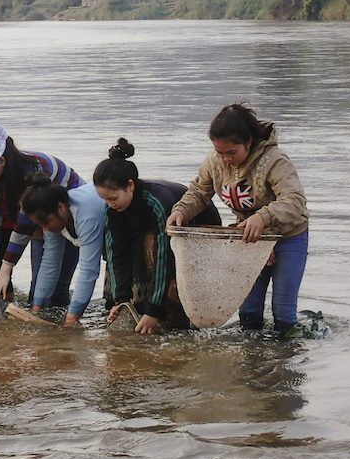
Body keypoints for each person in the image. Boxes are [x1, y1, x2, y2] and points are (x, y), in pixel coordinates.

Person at [166, 103, 309, 337]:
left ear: (248, 143)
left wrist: (263, 217)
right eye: (220, 152)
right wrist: (181, 210)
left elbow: (295, 200)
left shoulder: (275, 161)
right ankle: (251, 364)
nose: (225, 159)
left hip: (287, 237)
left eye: (231, 153)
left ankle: (284, 366)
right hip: (248, 240)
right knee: (249, 312)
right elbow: (199, 192)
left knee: (283, 314)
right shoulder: (214, 161)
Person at [94, 139, 221, 334]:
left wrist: (153, 311)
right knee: (120, 254)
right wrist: (122, 301)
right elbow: (116, 254)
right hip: (143, 228)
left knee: (159, 261)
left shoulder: (156, 201)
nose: (109, 204)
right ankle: (132, 308)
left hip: (194, 228)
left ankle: (170, 319)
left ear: (130, 186)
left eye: (113, 198)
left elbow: (164, 256)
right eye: (104, 199)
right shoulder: (112, 209)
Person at [0, 121, 82, 304]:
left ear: (1, 161)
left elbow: (23, 225)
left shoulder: (36, 170)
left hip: (68, 218)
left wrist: (5, 270)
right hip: (41, 223)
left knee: (56, 286)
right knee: (39, 289)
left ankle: (62, 326)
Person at [20, 174, 106, 327]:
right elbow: (50, 263)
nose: (45, 228)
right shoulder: (54, 215)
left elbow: (89, 270)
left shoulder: (86, 215)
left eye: (46, 222)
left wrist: (72, 317)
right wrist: (36, 310)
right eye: (40, 224)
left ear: (61, 208)